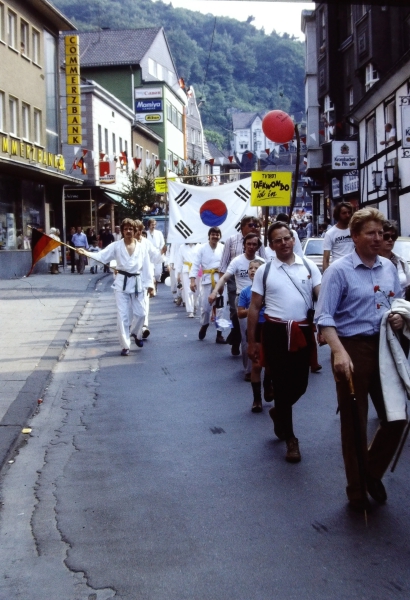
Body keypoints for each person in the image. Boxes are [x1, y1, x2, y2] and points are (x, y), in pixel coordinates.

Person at [315, 207, 406, 511]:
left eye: (381, 233)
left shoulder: (389, 268)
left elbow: (395, 303)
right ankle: (356, 490)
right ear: (354, 237)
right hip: (350, 347)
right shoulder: (338, 271)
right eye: (371, 233)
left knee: (397, 416)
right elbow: (324, 318)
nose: (378, 239)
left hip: (384, 346)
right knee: (354, 423)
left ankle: (370, 473)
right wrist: (338, 352)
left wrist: (397, 318)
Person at [247, 222, 321, 462]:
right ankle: (291, 439)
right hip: (276, 333)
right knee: (281, 385)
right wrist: (253, 342)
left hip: (302, 332)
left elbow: (322, 299)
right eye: (278, 240)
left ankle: (279, 411)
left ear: (293, 239)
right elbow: (255, 307)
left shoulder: (309, 267)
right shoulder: (264, 271)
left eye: (287, 238)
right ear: (271, 245)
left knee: (300, 385)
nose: (284, 243)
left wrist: (325, 326)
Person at [78, 219, 153, 355]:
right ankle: (125, 345)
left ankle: (136, 333)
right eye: (126, 229)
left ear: (135, 231)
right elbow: (102, 256)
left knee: (141, 313)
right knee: (122, 315)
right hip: (121, 282)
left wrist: (150, 285)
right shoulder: (116, 246)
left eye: (131, 229)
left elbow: (147, 267)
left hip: (137, 282)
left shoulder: (142, 247)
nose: (128, 231)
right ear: (122, 231)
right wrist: (86, 253)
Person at [210, 232, 265, 381]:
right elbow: (225, 277)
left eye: (254, 244)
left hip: (260, 299)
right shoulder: (237, 261)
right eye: (249, 244)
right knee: (247, 336)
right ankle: (248, 369)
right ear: (244, 245)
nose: (251, 247)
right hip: (243, 299)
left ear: (258, 246)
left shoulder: (262, 262)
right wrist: (215, 291)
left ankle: (263, 365)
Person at [219, 215, 267, 356]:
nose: (255, 228)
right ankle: (236, 339)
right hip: (235, 280)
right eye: (251, 225)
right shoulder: (231, 240)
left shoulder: (260, 241)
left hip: (255, 281)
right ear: (243, 227)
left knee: (257, 313)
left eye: (257, 226)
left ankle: (244, 340)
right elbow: (224, 263)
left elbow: (264, 262)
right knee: (237, 314)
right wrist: (220, 285)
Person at [237, 258, 266, 412]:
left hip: (271, 328)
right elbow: (240, 313)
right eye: (250, 268)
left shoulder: (270, 290)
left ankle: (269, 385)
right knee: (256, 364)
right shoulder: (245, 292)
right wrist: (254, 309)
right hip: (255, 328)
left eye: (256, 268)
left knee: (272, 364)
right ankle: (257, 399)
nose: (253, 271)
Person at [190, 227, 226, 344]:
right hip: (207, 280)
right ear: (209, 236)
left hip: (220, 279)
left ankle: (219, 334)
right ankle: (204, 325)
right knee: (206, 308)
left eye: (217, 234)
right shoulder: (202, 248)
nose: (215, 236)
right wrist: (192, 280)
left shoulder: (223, 248)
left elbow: (227, 264)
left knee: (221, 308)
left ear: (220, 236)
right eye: (213, 234)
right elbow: (195, 264)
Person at [322, 201, 354, 271]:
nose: (347, 215)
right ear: (338, 215)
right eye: (344, 213)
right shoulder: (330, 233)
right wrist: (326, 277)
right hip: (338, 270)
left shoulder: (354, 230)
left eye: (349, 212)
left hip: (353, 268)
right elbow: (326, 259)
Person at [176, 243, 199, 318]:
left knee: (197, 290)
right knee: (188, 290)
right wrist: (178, 273)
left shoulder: (200, 246)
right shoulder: (182, 247)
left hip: (197, 269)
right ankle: (190, 310)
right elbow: (179, 261)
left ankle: (195, 305)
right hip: (186, 269)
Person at [146, 219, 166, 287]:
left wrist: (161, 251)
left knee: (157, 273)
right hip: (149, 255)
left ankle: (156, 284)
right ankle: (152, 287)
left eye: (154, 224)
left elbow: (162, 243)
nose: (153, 226)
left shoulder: (159, 233)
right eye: (152, 224)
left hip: (158, 253)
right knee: (150, 272)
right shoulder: (146, 233)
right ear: (149, 225)